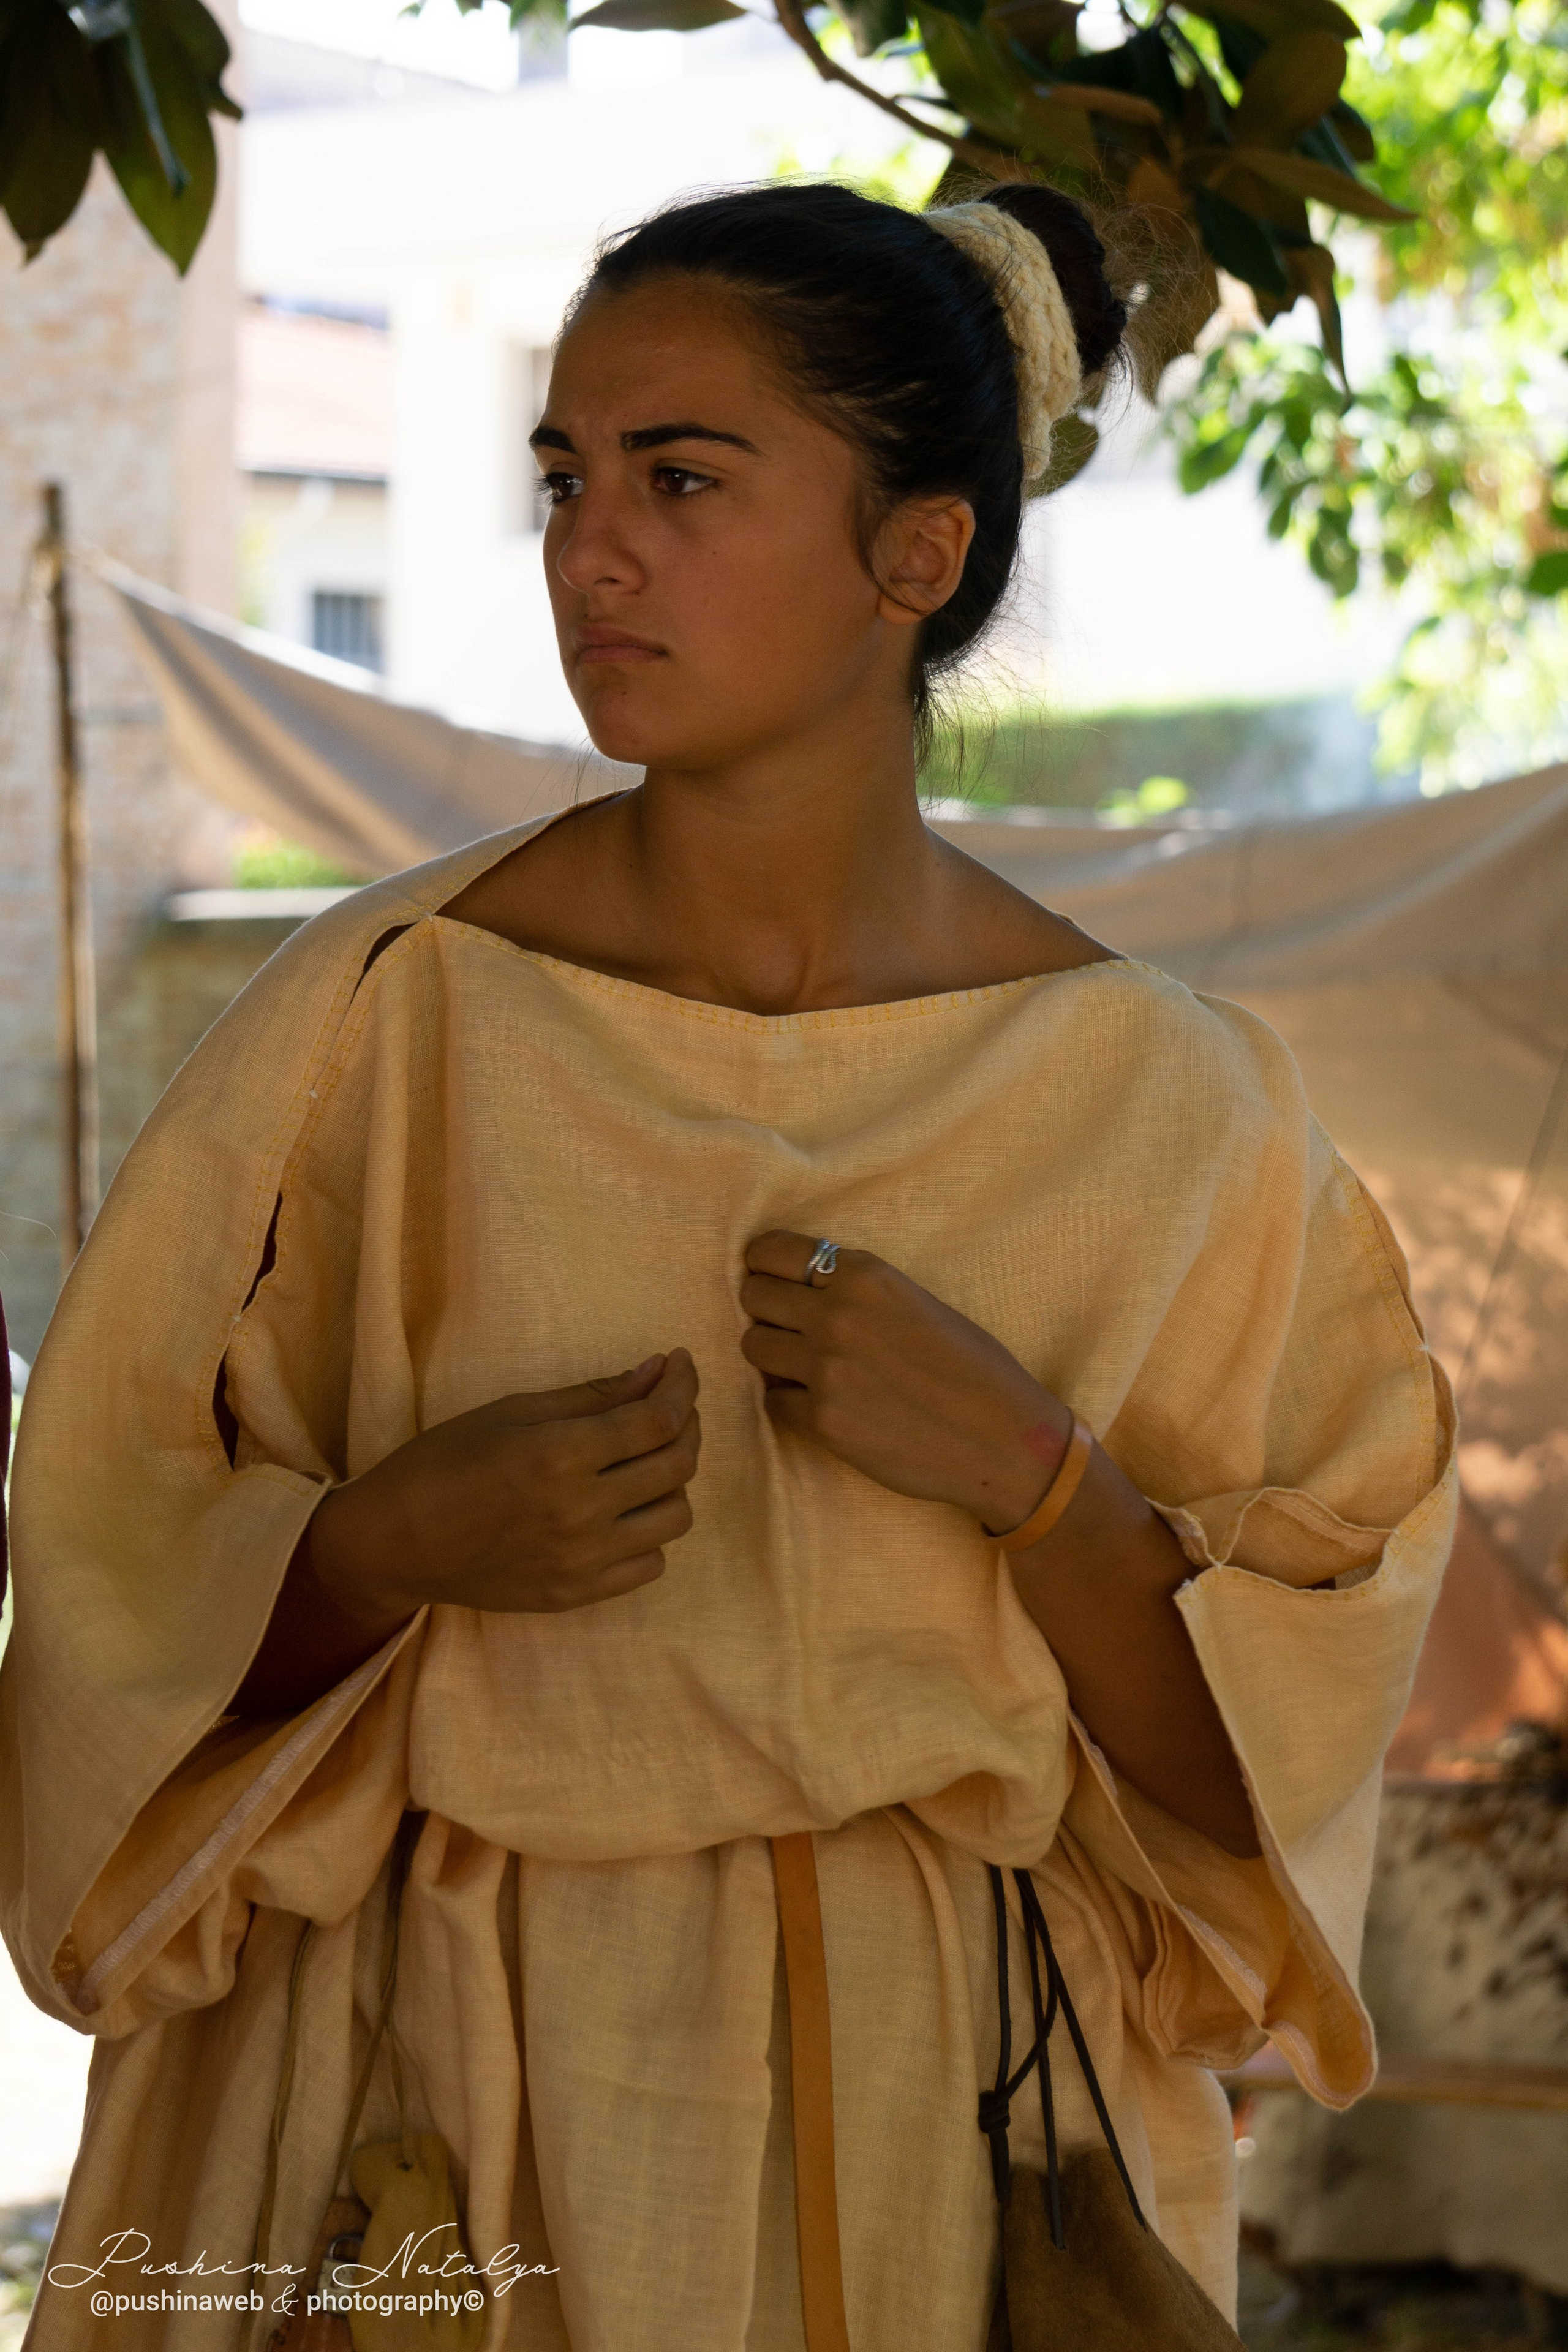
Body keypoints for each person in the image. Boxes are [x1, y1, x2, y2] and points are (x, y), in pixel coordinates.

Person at [1, 181, 1455, 2352]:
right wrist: (369, 1549)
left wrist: (1055, 1493)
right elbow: (112, 1585)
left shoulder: (1180, 1110)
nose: (594, 549)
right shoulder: (377, 1026)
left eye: (684, 479)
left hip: (954, 2119)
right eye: (569, 478)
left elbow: (1282, 1756)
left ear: (919, 552)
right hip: (410, 2102)